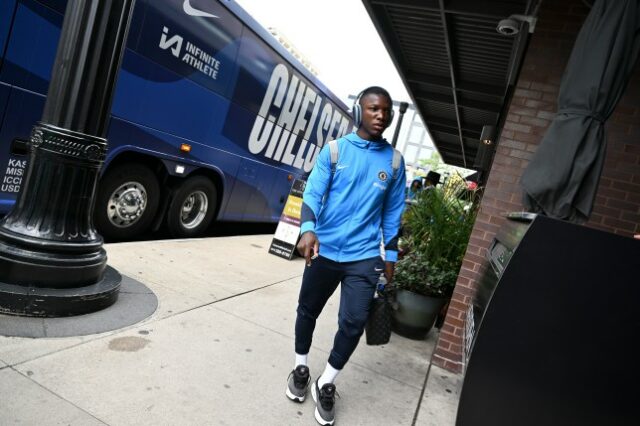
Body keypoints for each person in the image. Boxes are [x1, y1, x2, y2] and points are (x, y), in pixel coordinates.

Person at [286, 86, 406, 425]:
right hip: (324, 248)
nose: (381, 115)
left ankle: (326, 382)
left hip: (364, 256)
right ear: (359, 111)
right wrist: (307, 228)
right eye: (373, 109)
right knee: (307, 308)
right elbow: (313, 190)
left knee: (353, 322)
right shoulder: (335, 150)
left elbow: (393, 214)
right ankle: (300, 367)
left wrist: (391, 256)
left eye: (386, 111)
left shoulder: (395, 162)